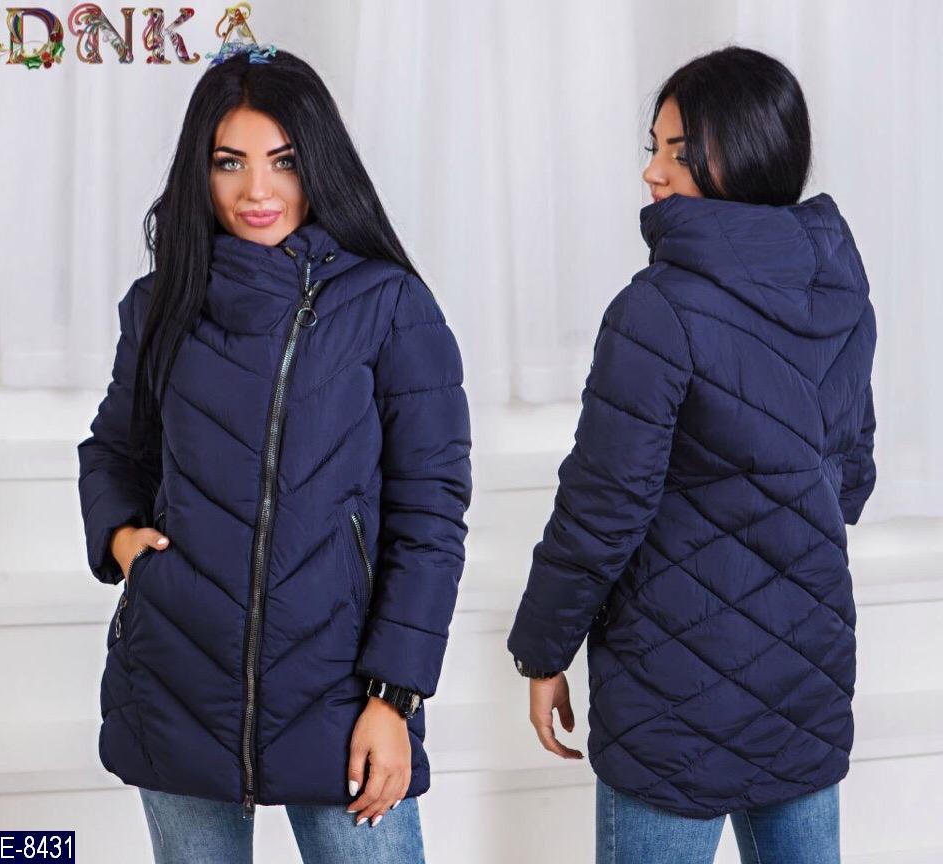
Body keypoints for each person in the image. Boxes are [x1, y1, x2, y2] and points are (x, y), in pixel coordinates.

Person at [77, 45, 471, 864]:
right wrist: (120, 538)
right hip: (177, 681)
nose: (257, 190)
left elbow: (430, 516)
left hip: (343, 698)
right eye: (230, 162)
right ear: (200, 171)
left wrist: (393, 699)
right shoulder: (159, 305)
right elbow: (114, 448)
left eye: (283, 161)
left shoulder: (389, 304)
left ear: (318, 163)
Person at [506, 45, 876, 864]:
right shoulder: (840, 294)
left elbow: (602, 508)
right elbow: (851, 476)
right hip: (804, 680)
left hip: (672, 698)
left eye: (677, 150)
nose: (652, 171)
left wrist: (542, 648)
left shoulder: (656, 311)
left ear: (742, 152)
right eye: (654, 148)